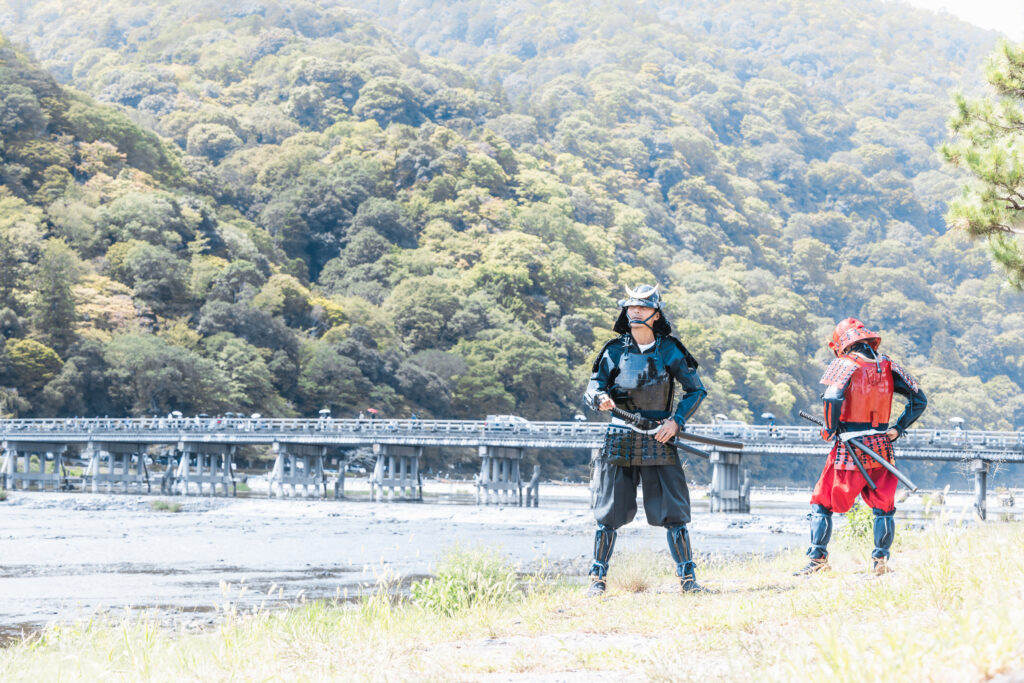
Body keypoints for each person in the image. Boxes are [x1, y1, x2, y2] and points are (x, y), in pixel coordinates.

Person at [583, 284, 708, 595]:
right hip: (619, 436)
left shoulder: (670, 350)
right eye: (630, 307)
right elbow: (592, 387)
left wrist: (676, 422)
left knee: (674, 513)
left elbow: (696, 390)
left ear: (656, 314)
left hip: (658, 437)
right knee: (608, 514)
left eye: (641, 307)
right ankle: (597, 582)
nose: (634, 312)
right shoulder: (613, 351)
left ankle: (688, 582)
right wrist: (598, 398)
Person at [797, 318, 927, 576]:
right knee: (884, 507)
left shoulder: (845, 363)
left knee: (821, 502)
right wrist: (898, 428)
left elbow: (832, 396)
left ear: (843, 343)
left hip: (849, 448)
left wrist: (829, 428)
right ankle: (880, 563)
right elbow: (919, 400)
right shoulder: (888, 365)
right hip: (882, 446)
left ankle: (817, 560)